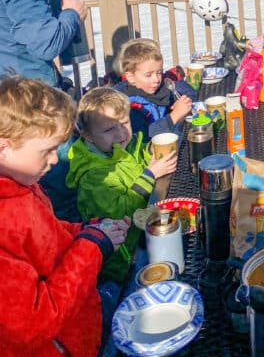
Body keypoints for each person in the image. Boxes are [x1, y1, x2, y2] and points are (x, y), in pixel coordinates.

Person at [0, 76, 129, 357]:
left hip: (79, 328)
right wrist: (91, 246)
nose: (55, 159)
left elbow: (46, 233)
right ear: (3, 147)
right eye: (47, 151)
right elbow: (33, 323)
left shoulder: (22, 186)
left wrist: (89, 230)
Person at [66, 87, 178, 284]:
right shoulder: (94, 175)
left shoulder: (123, 146)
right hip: (121, 261)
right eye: (109, 129)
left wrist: (150, 152)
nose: (120, 133)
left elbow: (134, 162)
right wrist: (150, 175)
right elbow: (120, 212)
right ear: (88, 136)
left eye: (125, 122)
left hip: (142, 237)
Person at [113, 38, 195, 139]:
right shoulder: (129, 106)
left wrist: (183, 102)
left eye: (159, 73)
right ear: (130, 77)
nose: (156, 79)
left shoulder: (159, 89)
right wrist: (174, 116)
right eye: (148, 75)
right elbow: (144, 135)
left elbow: (186, 90)